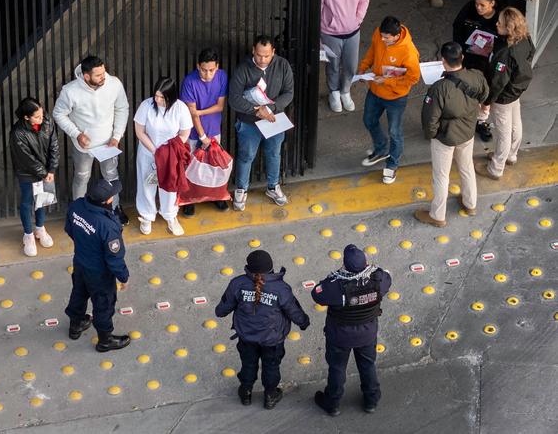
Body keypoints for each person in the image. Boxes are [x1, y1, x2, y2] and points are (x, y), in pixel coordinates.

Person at [215, 250, 310, 410]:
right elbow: (294, 310)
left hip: (246, 338)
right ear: (271, 267)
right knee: (271, 367)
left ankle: (246, 392)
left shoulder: (237, 284)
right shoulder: (281, 288)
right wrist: (303, 322)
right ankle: (270, 396)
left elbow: (221, 310)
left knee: (248, 365)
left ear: (248, 268)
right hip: (272, 339)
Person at [311, 244, 392, 416]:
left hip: (340, 336)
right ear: (366, 262)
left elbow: (317, 294)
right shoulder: (379, 280)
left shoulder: (335, 287)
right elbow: (387, 278)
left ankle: (332, 403)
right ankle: (371, 400)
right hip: (367, 334)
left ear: (344, 264)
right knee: (368, 365)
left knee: (337, 369)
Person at [415, 42, 489, 227]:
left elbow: (429, 118)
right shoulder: (476, 76)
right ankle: (470, 204)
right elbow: (485, 95)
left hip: (445, 138)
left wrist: (432, 135)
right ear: (462, 58)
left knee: (441, 176)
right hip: (467, 133)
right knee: (466, 167)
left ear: (443, 61)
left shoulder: (439, 88)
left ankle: (438, 215)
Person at [53, 55, 130, 225]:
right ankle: (78, 212)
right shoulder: (70, 91)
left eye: (104, 72)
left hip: (109, 143)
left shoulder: (114, 83)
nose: (104, 77)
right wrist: (77, 134)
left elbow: (122, 109)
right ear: (86, 76)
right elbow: (58, 113)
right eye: (99, 75)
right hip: (83, 147)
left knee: (111, 176)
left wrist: (117, 137)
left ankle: (115, 208)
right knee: (82, 178)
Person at [64, 179, 131, 353]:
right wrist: (123, 277)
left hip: (80, 262)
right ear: (106, 201)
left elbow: (69, 229)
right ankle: (105, 340)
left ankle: (76, 325)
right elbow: (114, 257)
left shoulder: (76, 206)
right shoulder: (108, 225)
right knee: (103, 304)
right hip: (99, 273)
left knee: (79, 293)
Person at [229, 35, 294, 211]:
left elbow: (288, 93)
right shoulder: (243, 69)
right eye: (259, 55)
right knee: (246, 156)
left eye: (266, 55)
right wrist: (257, 111)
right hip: (249, 122)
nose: (262, 59)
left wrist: (271, 108)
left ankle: (273, 186)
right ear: (253, 51)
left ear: (273, 52)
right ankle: (241, 189)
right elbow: (234, 99)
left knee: (274, 153)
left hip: (274, 120)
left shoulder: (282, 65)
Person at [358, 16, 420, 184]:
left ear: (397, 35)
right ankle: (381, 149)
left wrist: (387, 81)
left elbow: (413, 78)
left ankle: (392, 165)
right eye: (382, 36)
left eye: (386, 37)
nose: (382, 39)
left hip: (395, 97)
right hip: (375, 90)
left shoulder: (409, 52)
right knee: (369, 120)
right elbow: (372, 51)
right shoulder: (379, 35)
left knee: (395, 132)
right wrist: (363, 67)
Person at [475, 7, 534, 180]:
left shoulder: (505, 54)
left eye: (499, 23)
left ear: (509, 29)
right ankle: (511, 155)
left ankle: (495, 168)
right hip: (516, 90)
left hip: (503, 97)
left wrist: (486, 102)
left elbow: (497, 83)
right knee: (516, 123)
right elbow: (531, 54)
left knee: (503, 133)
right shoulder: (525, 39)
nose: (496, 23)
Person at [134, 76, 193, 236]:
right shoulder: (146, 106)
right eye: (156, 96)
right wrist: (156, 151)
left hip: (170, 156)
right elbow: (140, 131)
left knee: (170, 186)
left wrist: (168, 150)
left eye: (162, 97)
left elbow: (184, 132)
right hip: (148, 153)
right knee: (146, 184)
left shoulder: (180, 108)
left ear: (171, 96)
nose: (158, 99)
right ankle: (146, 216)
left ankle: (170, 216)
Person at [179, 48, 229, 216]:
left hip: (214, 129)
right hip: (193, 133)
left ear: (217, 67)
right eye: (204, 70)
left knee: (214, 164)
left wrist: (198, 112)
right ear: (197, 66)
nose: (208, 74)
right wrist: (202, 136)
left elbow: (219, 106)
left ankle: (216, 196)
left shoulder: (222, 76)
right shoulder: (189, 82)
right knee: (190, 166)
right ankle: (189, 199)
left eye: (211, 70)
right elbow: (191, 116)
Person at [9, 97, 59, 257]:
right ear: (26, 117)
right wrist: (44, 173)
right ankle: (28, 235)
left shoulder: (47, 121)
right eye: (37, 116)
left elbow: (54, 145)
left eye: (42, 113)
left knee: (42, 200)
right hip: (27, 172)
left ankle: (40, 228)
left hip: (46, 171)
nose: (41, 118)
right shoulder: (18, 133)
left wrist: (51, 169)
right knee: (27, 201)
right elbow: (26, 159)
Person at [320, 0, 370, 113]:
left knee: (350, 66)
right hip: (330, 34)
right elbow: (318, 10)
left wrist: (358, 19)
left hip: (353, 32)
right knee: (332, 65)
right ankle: (334, 92)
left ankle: (345, 91)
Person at [453, 0, 501, 142]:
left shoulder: (500, 17)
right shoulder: (469, 9)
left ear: (492, 3)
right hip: (468, 57)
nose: (478, 8)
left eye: (482, 5)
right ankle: (464, 117)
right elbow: (457, 27)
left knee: (486, 91)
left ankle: (481, 120)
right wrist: (459, 51)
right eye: (476, 4)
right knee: (465, 88)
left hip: (488, 61)